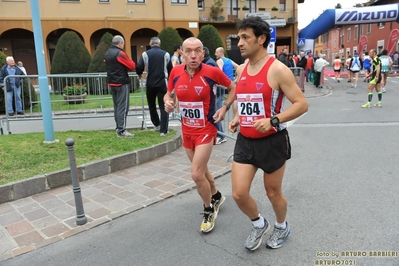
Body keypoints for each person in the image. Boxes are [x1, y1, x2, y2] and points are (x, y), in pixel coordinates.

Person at [229, 16, 308, 251]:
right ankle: (259, 223)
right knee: (238, 194)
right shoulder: (242, 69)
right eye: (238, 38)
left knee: (273, 193)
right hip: (245, 141)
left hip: (272, 141)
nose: (239, 43)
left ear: (261, 39)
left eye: (245, 38)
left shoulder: (278, 70)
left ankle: (281, 226)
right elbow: (241, 99)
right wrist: (236, 117)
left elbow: (301, 104)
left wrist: (273, 120)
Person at [164, 37, 236, 233]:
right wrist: (167, 102)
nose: (193, 55)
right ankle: (216, 195)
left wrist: (225, 107)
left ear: (203, 53)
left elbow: (233, 88)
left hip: (206, 129)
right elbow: (168, 93)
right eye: (188, 51)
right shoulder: (176, 72)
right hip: (187, 130)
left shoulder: (212, 72)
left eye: (197, 51)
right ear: (182, 53)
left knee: (196, 173)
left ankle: (208, 209)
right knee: (202, 170)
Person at [136, 37, 172, 136]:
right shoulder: (166, 54)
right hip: (162, 83)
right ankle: (164, 130)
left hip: (150, 83)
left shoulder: (145, 54)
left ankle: (157, 124)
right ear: (159, 43)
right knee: (163, 106)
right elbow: (170, 69)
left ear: (150, 44)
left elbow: (139, 66)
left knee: (152, 105)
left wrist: (139, 74)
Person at [104, 35, 136, 138]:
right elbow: (132, 66)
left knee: (117, 107)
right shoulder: (120, 53)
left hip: (111, 82)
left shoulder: (108, 53)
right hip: (121, 83)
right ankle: (121, 130)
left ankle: (118, 127)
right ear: (120, 43)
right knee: (123, 107)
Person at [215, 47, 238, 145]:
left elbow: (219, 72)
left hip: (223, 85)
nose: (215, 54)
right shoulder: (229, 60)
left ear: (220, 53)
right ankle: (235, 116)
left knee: (219, 106)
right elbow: (239, 67)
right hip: (231, 84)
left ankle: (221, 135)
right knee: (233, 100)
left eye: (216, 52)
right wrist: (236, 79)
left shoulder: (219, 61)